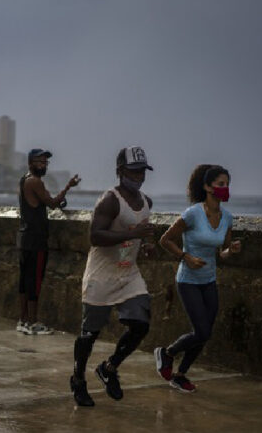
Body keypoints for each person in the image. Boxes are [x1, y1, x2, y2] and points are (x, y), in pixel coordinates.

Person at [70, 146, 155, 407]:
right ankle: (78, 379)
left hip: (128, 273)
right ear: (120, 172)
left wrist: (146, 245)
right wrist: (133, 235)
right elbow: (95, 236)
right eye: (133, 171)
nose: (138, 176)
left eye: (142, 171)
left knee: (141, 324)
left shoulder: (146, 202)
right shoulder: (109, 200)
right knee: (89, 334)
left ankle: (109, 368)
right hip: (102, 274)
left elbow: (140, 234)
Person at [155, 165, 241, 393]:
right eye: (220, 184)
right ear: (207, 186)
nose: (225, 189)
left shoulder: (228, 218)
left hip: (209, 280)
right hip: (188, 280)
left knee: (205, 333)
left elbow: (221, 254)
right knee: (201, 331)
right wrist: (186, 257)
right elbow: (165, 240)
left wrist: (231, 250)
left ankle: (180, 375)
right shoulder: (193, 213)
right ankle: (167, 353)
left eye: (227, 184)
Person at [16, 149, 80, 335]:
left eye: (45, 162)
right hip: (36, 240)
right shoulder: (35, 182)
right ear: (30, 163)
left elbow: (43, 203)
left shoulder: (23, 180)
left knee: (24, 281)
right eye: (40, 162)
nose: (43, 165)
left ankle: (23, 320)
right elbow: (52, 203)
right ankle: (33, 322)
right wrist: (68, 186)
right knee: (34, 281)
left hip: (24, 237)